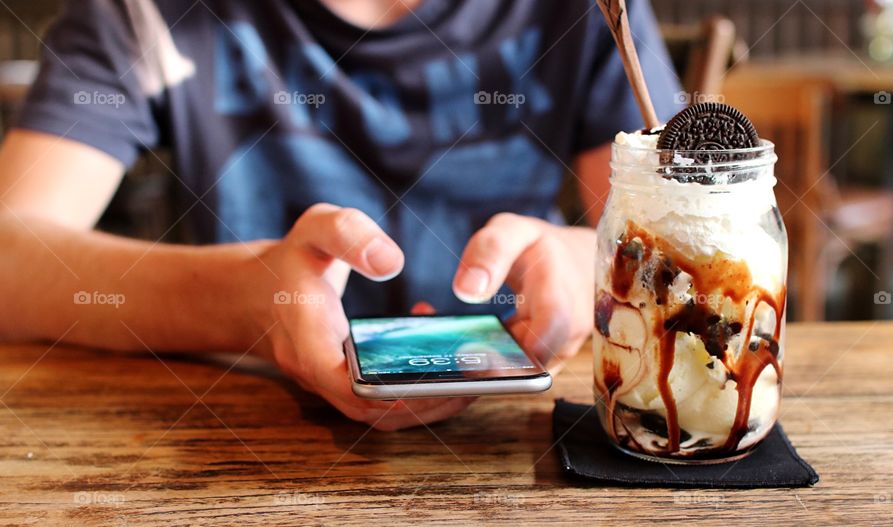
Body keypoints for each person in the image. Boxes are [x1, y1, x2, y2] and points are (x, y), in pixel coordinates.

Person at [0, 0, 679, 429]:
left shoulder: (596, 9)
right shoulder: (141, 13)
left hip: (512, 449)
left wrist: (585, 260)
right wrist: (249, 300)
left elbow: (685, 243)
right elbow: (10, 259)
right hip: (248, 448)